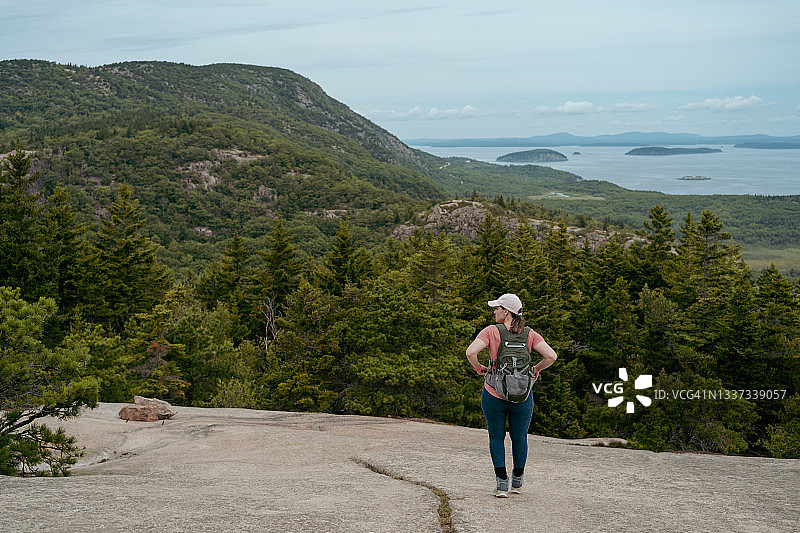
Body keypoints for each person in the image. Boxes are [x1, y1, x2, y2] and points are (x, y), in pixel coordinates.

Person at [465, 293, 558, 498]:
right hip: (523, 395)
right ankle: (517, 478)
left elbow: (470, 352)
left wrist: (479, 368)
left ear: (506, 311)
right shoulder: (529, 334)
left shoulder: (491, 331)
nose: (495, 311)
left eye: (497, 308)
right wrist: (536, 370)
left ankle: (501, 485)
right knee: (519, 437)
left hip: (493, 393)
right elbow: (551, 356)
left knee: (496, 436)